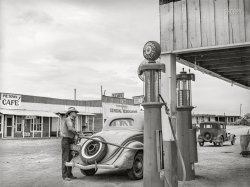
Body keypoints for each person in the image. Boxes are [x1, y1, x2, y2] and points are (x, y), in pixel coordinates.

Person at [61, 107, 79, 181]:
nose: (76, 113)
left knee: (70, 158)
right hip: (66, 140)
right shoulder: (68, 119)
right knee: (65, 158)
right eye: (75, 112)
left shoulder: (73, 120)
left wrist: (75, 136)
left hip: (71, 140)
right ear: (71, 113)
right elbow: (70, 128)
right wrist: (77, 133)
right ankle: (65, 176)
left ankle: (69, 174)